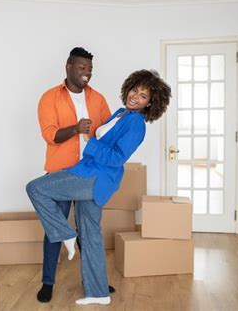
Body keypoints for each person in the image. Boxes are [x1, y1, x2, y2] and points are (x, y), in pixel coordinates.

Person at [27, 69, 171, 305]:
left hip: (95, 177)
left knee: (35, 188)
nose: (136, 96)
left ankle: (65, 234)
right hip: (91, 173)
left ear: (151, 104)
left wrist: (90, 143)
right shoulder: (121, 113)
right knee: (91, 233)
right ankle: (98, 292)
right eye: (135, 89)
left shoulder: (136, 124)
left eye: (144, 96)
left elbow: (116, 158)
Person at [36, 47, 112, 302]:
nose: (87, 73)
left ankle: (96, 281)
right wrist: (76, 128)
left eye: (90, 69)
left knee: (90, 230)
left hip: (89, 175)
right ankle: (48, 282)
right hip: (61, 174)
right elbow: (50, 135)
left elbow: (107, 134)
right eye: (82, 68)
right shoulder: (50, 98)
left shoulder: (98, 99)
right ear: (68, 67)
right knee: (54, 230)